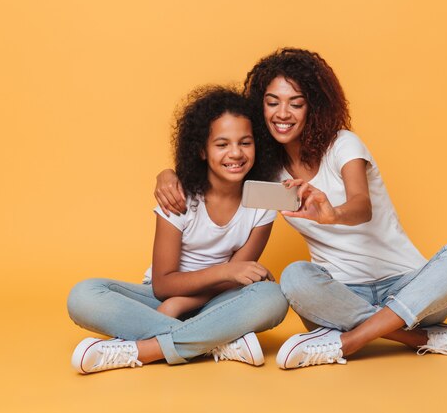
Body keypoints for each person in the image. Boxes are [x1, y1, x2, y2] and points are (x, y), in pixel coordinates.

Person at [155, 48, 447, 370]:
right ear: (260, 109)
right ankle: (422, 338)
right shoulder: (269, 173)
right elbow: (218, 170)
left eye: (295, 104)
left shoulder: (343, 145)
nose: (282, 114)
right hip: (340, 296)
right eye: (272, 103)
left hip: (411, 290)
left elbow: (361, 205)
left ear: (313, 107)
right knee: (294, 277)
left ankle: (348, 342)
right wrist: (168, 174)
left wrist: (334, 214)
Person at [67, 86, 288, 374]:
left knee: (273, 298)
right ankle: (217, 342)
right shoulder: (179, 195)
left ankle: (146, 350)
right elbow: (163, 284)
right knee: (83, 295)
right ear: (201, 150)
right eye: (222, 144)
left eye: (245, 143)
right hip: (161, 299)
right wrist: (219, 275)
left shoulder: (264, 198)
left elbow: (238, 279)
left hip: (220, 300)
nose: (235, 153)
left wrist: (184, 304)